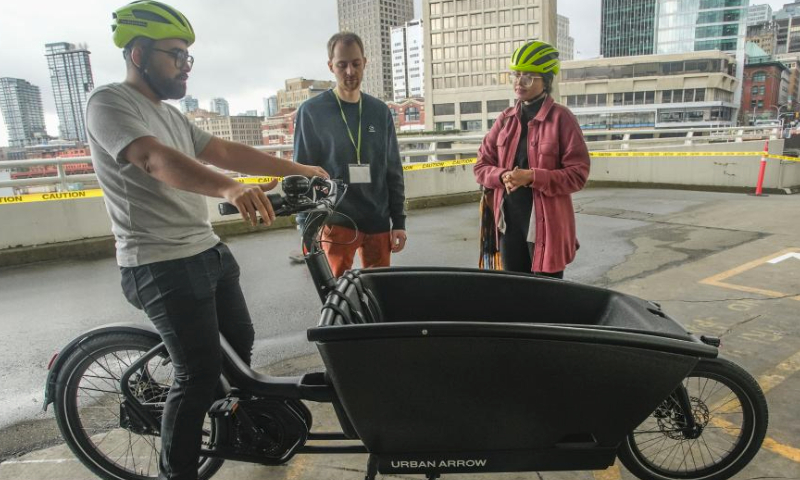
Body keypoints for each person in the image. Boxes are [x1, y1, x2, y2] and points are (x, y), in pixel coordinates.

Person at [86, 2, 327, 479]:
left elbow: (223, 149)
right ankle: (180, 471)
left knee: (238, 351)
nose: (185, 66)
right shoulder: (109, 103)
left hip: (205, 250)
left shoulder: (170, 114)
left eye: (188, 57)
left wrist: (298, 168)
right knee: (196, 375)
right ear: (137, 54)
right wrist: (229, 187)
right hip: (158, 262)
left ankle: (230, 426)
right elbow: (153, 159)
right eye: (175, 55)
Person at [293, 32, 407, 277]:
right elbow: (302, 172)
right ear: (330, 66)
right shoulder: (312, 112)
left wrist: (399, 222)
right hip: (336, 223)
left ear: (365, 62)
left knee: (380, 294)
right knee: (336, 296)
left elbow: (393, 170)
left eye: (356, 63)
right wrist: (306, 228)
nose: (349, 72)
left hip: (378, 220)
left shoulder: (380, 111)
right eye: (341, 65)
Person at [474, 40, 590, 278]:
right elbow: (481, 166)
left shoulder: (561, 119)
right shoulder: (505, 120)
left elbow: (578, 174)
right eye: (516, 75)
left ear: (545, 80)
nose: (519, 82)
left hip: (546, 227)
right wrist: (502, 175)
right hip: (509, 225)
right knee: (515, 292)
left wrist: (533, 177)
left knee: (547, 297)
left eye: (528, 77)